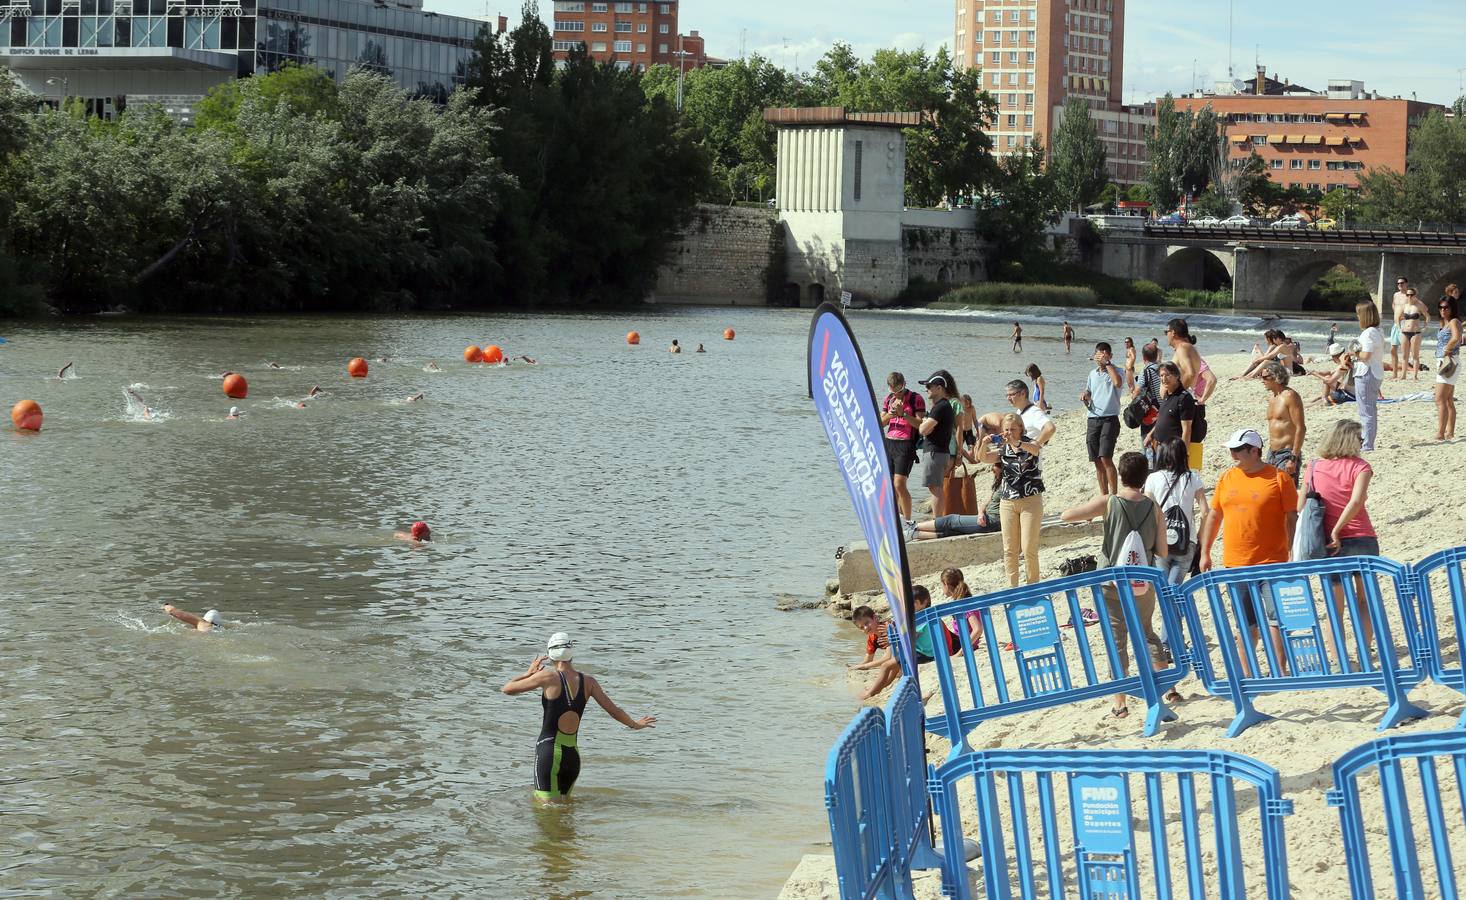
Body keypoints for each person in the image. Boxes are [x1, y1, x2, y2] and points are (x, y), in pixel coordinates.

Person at [1059, 451, 1171, 716]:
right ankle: (1163, 691)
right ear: (1145, 477)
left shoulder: (1110, 502)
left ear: (1120, 475)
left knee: (1116, 639)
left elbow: (1066, 516)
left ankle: (1120, 702)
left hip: (1110, 580)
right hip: (1143, 580)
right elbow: (1164, 551)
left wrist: (1093, 513)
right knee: (1147, 633)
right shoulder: (1153, 507)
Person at [502, 633, 656, 800]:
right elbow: (614, 710)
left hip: (549, 752)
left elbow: (507, 689)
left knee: (545, 811)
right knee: (566, 808)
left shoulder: (547, 676)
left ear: (551, 654)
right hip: (572, 757)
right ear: (571, 653)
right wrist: (635, 724)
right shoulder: (589, 682)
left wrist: (528, 673)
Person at [1200, 429, 1299, 678]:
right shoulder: (1227, 478)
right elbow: (1215, 516)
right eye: (1231, 450)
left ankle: (1280, 671)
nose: (1232, 454)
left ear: (1254, 451)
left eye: (1237, 450)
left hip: (1272, 561)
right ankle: (1247, 673)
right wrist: (1205, 551)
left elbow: (1292, 517)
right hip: (1236, 562)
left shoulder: (1279, 478)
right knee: (1245, 621)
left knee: (1276, 618)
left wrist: (1292, 550)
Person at [1301, 419, 1380, 658]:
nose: (1362, 442)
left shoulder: (1314, 466)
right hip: (1361, 537)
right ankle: (1365, 653)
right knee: (1364, 600)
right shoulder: (1361, 467)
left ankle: (1338, 659)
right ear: (1349, 440)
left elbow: (1301, 504)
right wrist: (1340, 528)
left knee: (1334, 606)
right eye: (1359, 438)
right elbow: (1357, 501)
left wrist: (1332, 529)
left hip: (1327, 542)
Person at [978, 412, 1045, 587]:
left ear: (1021, 428)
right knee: (1009, 549)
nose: (1009, 433)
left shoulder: (1030, 442)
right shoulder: (1003, 449)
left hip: (1030, 500)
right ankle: (1012, 587)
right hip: (1008, 501)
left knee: (1029, 548)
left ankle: (1033, 586)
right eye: (1006, 430)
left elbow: (1035, 450)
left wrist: (1017, 442)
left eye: (1013, 429)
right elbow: (983, 458)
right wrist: (983, 444)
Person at [1144, 438, 1207, 587]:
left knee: (1165, 590)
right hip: (1186, 541)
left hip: (1160, 540)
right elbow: (1205, 512)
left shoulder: (1153, 478)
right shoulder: (1193, 477)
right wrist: (1200, 536)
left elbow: (1148, 511)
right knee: (1175, 589)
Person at [1167, 318, 1215, 470]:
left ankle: (1185, 475)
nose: (1166, 335)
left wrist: (1174, 395)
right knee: (1192, 443)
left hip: (1184, 401)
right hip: (1191, 400)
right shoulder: (1190, 349)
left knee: (1183, 439)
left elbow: (1190, 372)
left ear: (1173, 333)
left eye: (1166, 332)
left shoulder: (1182, 348)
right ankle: (1191, 478)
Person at [881, 371, 926, 524]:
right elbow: (881, 423)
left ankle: (908, 522)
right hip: (889, 442)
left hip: (906, 443)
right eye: (893, 391)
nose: (897, 394)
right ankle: (897, 519)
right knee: (890, 485)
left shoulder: (916, 399)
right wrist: (891, 414)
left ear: (904, 384)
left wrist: (904, 414)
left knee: (899, 483)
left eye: (899, 390)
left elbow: (921, 425)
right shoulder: (888, 399)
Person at [911, 464, 1002, 540]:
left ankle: (912, 526)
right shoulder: (1000, 482)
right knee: (955, 531)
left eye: (996, 465)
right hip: (987, 518)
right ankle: (913, 534)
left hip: (993, 522)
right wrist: (981, 513)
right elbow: (986, 502)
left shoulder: (1010, 485)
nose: (992, 468)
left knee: (951, 520)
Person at [1081, 342, 1123, 496]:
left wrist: (1108, 364)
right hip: (1093, 418)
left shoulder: (1117, 371)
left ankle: (1114, 494)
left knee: (1106, 457)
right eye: (1098, 354)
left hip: (1110, 419)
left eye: (1105, 354)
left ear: (1110, 356)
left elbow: (1118, 383)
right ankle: (1104, 495)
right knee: (1097, 461)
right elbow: (1090, 391)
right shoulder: (1092, 374)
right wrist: (1085, 395)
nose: (1101, 357)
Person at [916, 372, 958, 520]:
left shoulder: (941, 406)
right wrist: (926, 423)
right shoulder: (942, 406)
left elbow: (923, 429)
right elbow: (927, 428)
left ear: (939, 388)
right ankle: (938, 520)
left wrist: (925, 423)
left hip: (936, 452)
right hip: (939, 451)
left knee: (935, 488)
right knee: (935, 487)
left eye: (928, 386)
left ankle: (937, 521)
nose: (926, 389)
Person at [1260, 360, 1306, 487]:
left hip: (1287, 453)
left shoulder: (1290, 396)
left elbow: (1301, 428)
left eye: (1264, 377)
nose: (1262, 380)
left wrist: (1293, 457)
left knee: (1286, 494)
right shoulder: (1272, 398)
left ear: (1276, 377)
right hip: (1272, 453)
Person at [1353, 300, 1385, 451]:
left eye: (1359, 314)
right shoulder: (1378, 331)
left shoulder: (1368, 333)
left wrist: (1354, 353)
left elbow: (1365, 355)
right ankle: (1368, 442)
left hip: (1367, 373)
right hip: (1376, 372)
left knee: (1366, 411)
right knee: (1370, 409)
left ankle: (1367, 445)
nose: (1358, 317)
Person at [1146, 362, 1196, 455]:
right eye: (1161, 375)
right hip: (1159, 447)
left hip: (1173, 449)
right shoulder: (1167, 395)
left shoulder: (1184, 398)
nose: (1164, 379)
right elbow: (1163, 418)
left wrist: (1183, 454)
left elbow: (1187, 429)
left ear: (1177, 376)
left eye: (1168, 375)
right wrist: (1150, 434)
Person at [1130, 342, 1163, 457]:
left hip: (1151, 412)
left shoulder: (1146, 371)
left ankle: (1150, 470)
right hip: (1163, 410)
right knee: (1160, 445)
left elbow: (1137, 392)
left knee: (1148, 446)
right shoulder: (1163, 369)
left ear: (1144, 357)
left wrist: (1133, 398)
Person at [1436, 294, 1461, 441]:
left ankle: (1440, 433)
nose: (1443, 310)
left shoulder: (1454, 321)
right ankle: (1449, 432)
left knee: (1439, 399)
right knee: (1448, 399)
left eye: (1446, 307)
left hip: (1449, 362)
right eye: (1440, 307)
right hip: (1445, 362)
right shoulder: (1444, 323)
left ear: (1452, 308)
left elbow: (1457, 337)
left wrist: (1447, 348)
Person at [849, 605, 891, 671]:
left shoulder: (888, 628)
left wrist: (864, 666)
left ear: (875, 617)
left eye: (867, 623)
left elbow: (888, 657)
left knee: (886, 666)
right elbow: (868, 660)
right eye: (861, 627)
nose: (865, 628)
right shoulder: (872, 638)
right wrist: (857, 667)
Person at [1400, 287, 1430, 380]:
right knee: (1404, 355)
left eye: (1411, 295)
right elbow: (1399, 317)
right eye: (1407, 295)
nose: (1409, 296)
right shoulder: (1404, 306)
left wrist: (1425, 326)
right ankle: (1403, 375)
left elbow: (1427, 316)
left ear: (1415, 295)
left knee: (1415, 355)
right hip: (1404, 332)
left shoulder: (1419, 305)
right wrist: (1399, 326)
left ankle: (1415, 376)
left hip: (1415, 332)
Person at [1389, 277, 1411, 379]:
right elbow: (1394, 304)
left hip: (1405, 323)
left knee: (1404, 350)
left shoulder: (1410, 295)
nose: (1400, 285)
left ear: (1406, 284)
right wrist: (1396, 313)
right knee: (1393, 349)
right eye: (1398, 283)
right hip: (1396, 323)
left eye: (1402, 283)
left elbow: (1416, 307)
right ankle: (1394, 373)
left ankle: (1403, 374)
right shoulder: (1395, 295)